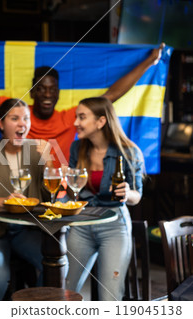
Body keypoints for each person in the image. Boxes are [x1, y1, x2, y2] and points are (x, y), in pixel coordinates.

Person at [0, 41, 164, 167]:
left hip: (60, 192)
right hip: (24, 190)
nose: (47, 94)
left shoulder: (73, 117)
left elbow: (112, 95)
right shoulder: (17, 113)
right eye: (41, 88)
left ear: (59, 93)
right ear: (33, 92)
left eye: (52, 89)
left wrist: (150, 62)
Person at [0, 98, 51, 300]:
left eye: (26, 118)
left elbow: (50, 197)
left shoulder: (39, 152)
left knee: (56, 266)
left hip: (27, 229)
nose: (22, 123)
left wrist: (48, 165)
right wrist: (7, 202)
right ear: (1, 124)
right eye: (14, 118)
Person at [65, 96, 144, 301]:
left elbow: (137, 195)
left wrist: (127, 193)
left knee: (110, 297)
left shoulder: (129, 151)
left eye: (82, 117)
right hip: (82, 223)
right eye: (76, 117)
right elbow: (74, 190)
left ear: (101, 121)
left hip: (114, 225)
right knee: (66, 291)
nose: (76, 123)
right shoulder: (77, 148)